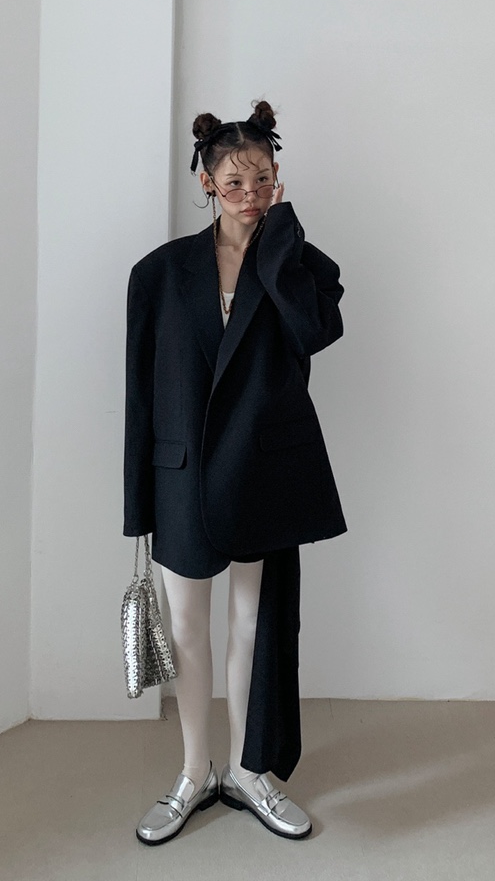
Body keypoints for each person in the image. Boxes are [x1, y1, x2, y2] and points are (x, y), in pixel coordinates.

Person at [124, 99, 347, 845]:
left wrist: (277, 244)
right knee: (188, 629)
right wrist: (137, 503)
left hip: (260, 473)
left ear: (278, 180)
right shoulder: (159, 273)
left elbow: (313, 332)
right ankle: (194, 771)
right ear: (207, 184)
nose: (250, 194)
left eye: (263, 180)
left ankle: (252, 772)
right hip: (182, 477)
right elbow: (140, 396)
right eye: (234, 182)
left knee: (252, 625)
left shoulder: (299, 263)